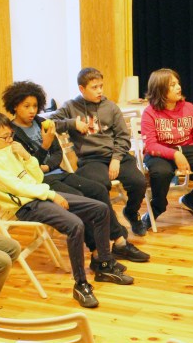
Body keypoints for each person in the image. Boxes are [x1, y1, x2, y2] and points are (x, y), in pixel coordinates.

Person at [0, 111, 133, 309]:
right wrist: (51, 195)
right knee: (75, 225)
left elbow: (36, 177)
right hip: (27, 205)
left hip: (40, 192)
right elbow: (19, 188)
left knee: (100, 208)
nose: (9, 140)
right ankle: (81, 284)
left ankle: (104, 264)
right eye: (4, 137)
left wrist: (27, 157)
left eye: (10, 135)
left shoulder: (9, 149)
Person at [2, 80, 148, 263]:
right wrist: (44, 147)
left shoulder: (42, 122)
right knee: (80, 199)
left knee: (98, 190)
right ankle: (96, 252)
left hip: (58, 172)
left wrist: (48, 165)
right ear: (15, 105)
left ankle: (119, 242)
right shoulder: (12, 134)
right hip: (39, 183)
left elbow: (57, 153)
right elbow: (27, 169)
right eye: (26, 106)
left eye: (35, 106)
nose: (32, 110)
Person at [51, 68, 150, 238]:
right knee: (100, 186)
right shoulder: (70, 107)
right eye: (94, 87)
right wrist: (72, 123)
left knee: (139, 182)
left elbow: (123, 137)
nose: (99, 91)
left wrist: (116, 159)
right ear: (82, 89)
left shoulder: (110, 107)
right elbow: (48, 122)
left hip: (116, 156)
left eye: (101, 86)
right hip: (90, 160)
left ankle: (131, 213)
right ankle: (112, 225)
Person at [139, 68, 193, 225]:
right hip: (159, 151)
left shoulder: (189, 107)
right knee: (161, 173)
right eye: (172, 85)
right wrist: (175, 154)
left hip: (186, 147)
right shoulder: (149, 112)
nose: (178, 87)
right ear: (160, 89)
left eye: (178, 83)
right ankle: (157, 207)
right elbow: (151, 145)